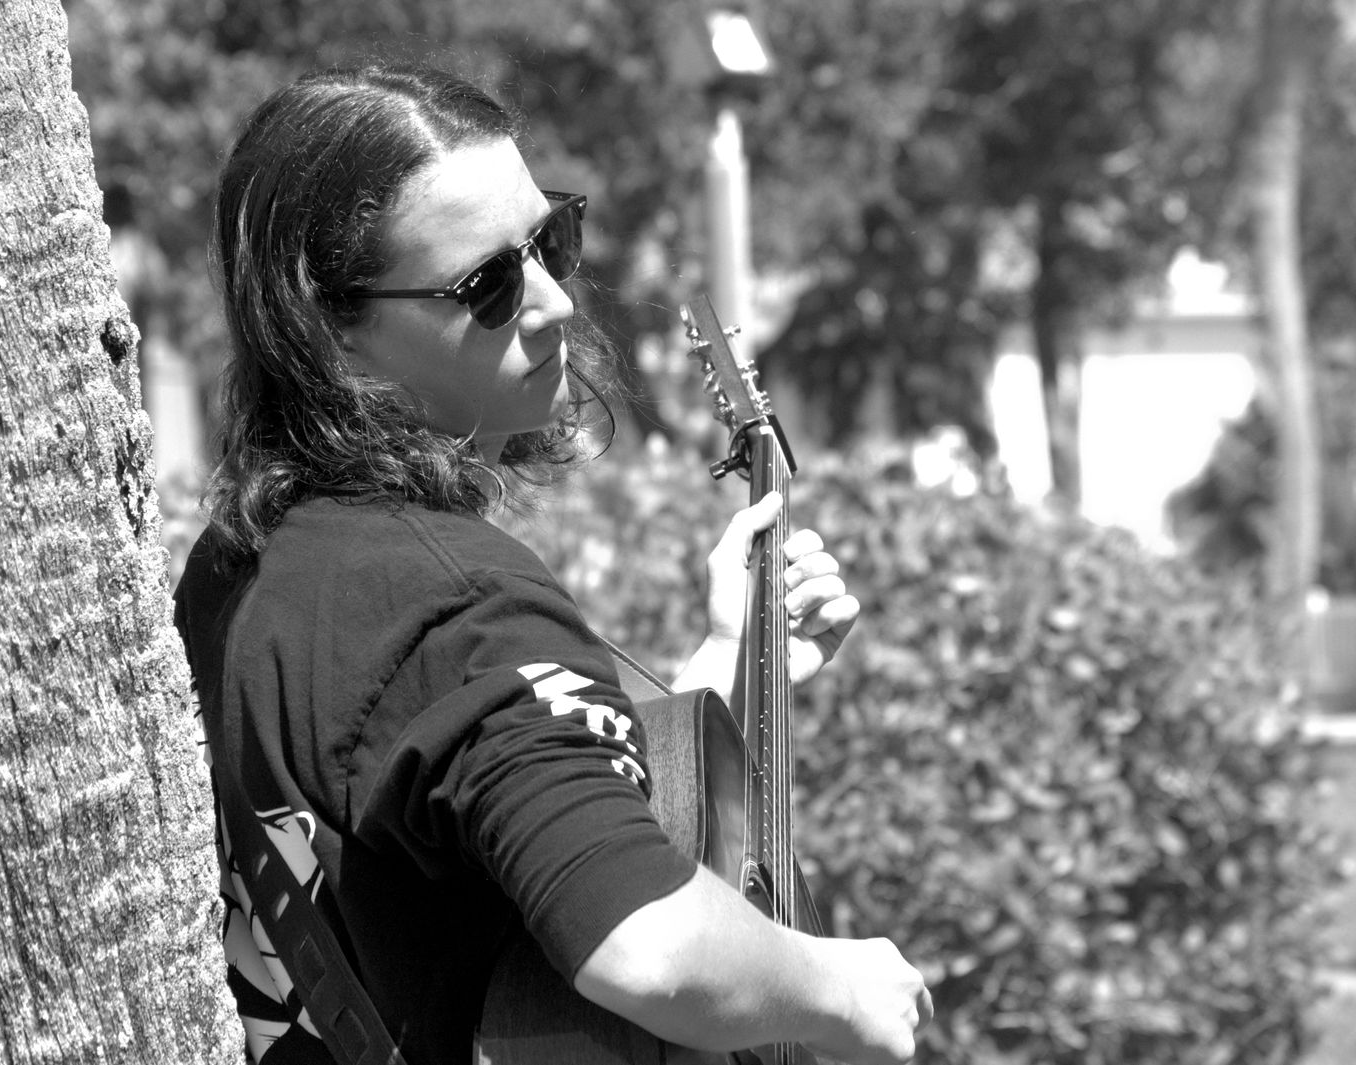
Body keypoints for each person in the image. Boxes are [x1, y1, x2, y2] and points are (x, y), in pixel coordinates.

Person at [173, 61, 932, 1065]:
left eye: (551, 242)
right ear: (333, 333)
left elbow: (512, 804)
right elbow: (645, 945)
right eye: (485, 285)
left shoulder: (238, 568)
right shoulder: (457, 605)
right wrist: (839, 986)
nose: (553, 300)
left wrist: (728, 664)